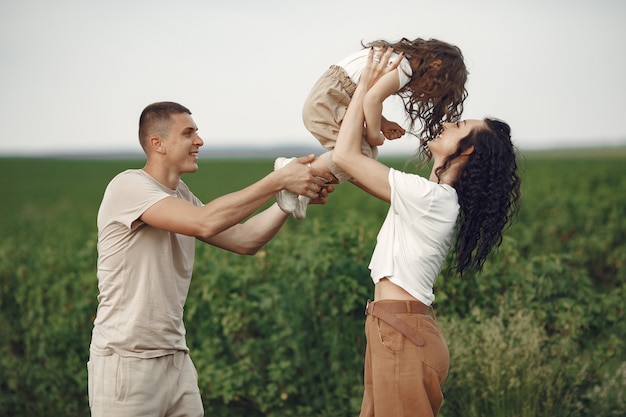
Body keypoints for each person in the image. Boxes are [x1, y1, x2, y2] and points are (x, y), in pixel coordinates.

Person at [87, 101, 333, 417]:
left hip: (176, 358)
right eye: (188, 133)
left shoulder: (180, 195)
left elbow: (244, 240)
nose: (199, 141)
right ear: (157, 144)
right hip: (127, 362)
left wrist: (287, 202)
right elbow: (205, 221)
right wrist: (277, 180)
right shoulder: (129, 186)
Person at [332, 48, 521, 416]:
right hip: (393, 328)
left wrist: (367, 86)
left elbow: (344, 157)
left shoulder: (432, 199)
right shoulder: (430, 197)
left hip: (402, 332)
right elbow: (354, 166)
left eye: (460, 126)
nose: (449, 123)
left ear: (466, 153)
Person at [275, 37, 468, 219]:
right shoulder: (403, 68)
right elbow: (372, 99)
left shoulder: (396, 60)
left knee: (367, 154)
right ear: (436, 65)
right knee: (361, 153)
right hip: (329, 100)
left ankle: (304, 189)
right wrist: (375, 134)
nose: (425, 91)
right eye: (434, 86)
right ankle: (294, 171)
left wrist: (383, 123)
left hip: (333, 97)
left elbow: (365, 95)